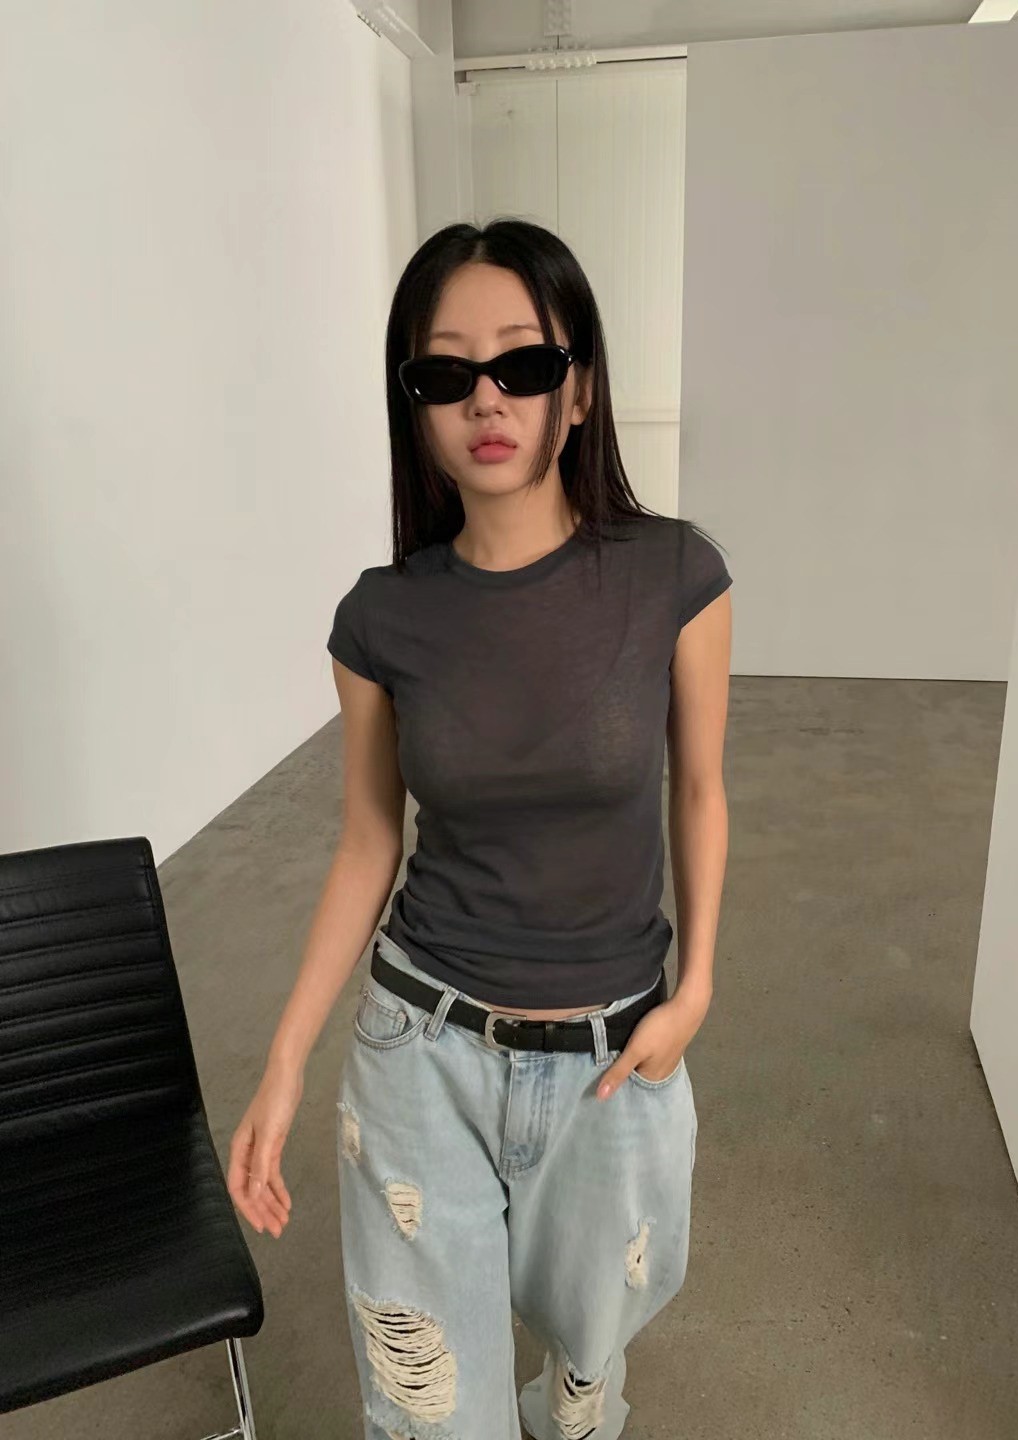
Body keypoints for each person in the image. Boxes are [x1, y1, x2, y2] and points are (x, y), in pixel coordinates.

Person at [228, 217, 733, 1440]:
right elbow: (368, 839)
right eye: (445, 373)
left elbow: (702, 790)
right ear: (414, 406)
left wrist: (697, 989)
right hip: (422, 1050)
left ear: (579, 388)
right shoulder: (382, 619)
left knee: (584, 1391)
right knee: (433, 1415)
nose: (486, 398)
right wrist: (287, 1059)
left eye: (523, 363)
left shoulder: (673, 576)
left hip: (612, 1060)